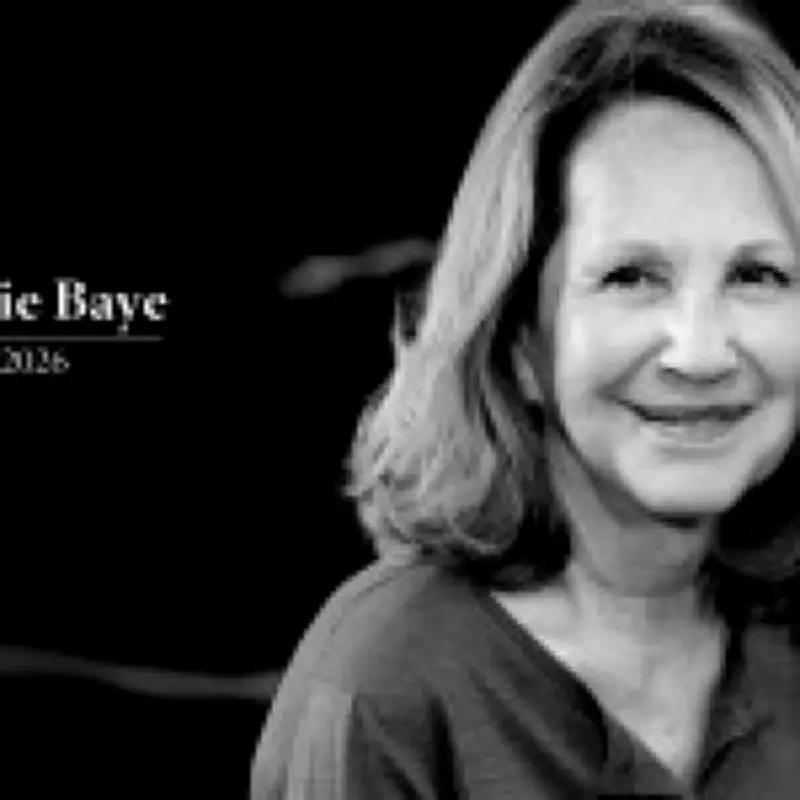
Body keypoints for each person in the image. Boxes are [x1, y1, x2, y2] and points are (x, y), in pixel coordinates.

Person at [251, 0, 800, 796]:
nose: (701, 353)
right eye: (631, 277)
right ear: (518, 340)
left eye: (757, 275)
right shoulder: (387, 682)